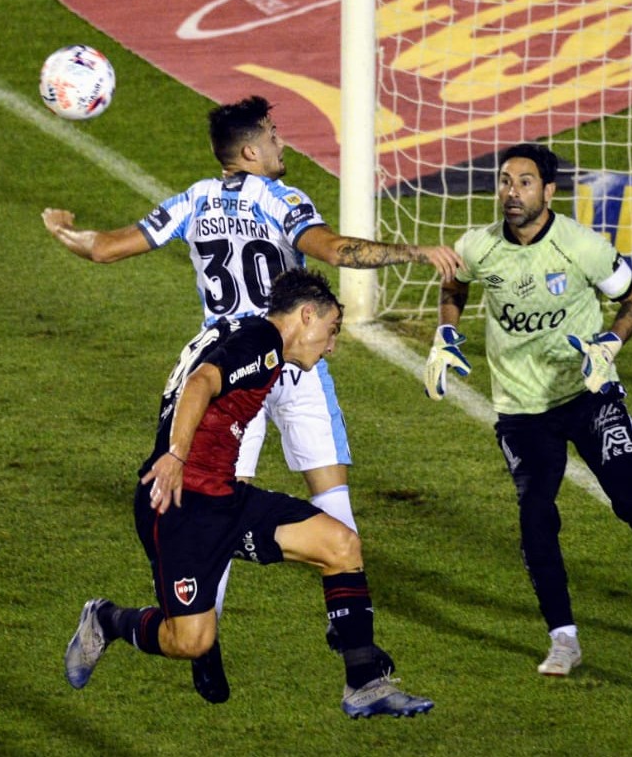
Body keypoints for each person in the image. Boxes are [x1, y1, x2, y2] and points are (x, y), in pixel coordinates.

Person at [43, 95, 461, 700]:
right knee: (280, 505)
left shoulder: (194, 200)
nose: (281, 143)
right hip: (265, 362)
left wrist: (66, 232)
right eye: (273, 136)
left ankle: (345, 667)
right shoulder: (282, 199)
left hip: (252, 354)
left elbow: (106, 247)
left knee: (279, 521)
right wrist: (414, 253)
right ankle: (216, 645)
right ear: (250, 152)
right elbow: (335, 250)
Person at [422, 143, 632, 677]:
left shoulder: (581, 246)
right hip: (522, 409)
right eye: (505, 181)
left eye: (525, 182)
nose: (511, 192)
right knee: (535, 516)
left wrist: (610, 344)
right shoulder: (478, 246)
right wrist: (445, 331)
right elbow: (455, 282)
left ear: (549, 191)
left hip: (589, 393)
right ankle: (563, 638)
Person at [63, 268, 432, 718]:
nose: (331, 345)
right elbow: (201, 382)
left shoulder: (241, 330)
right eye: (331, 331)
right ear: (307, 315)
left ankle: (363, 684)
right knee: (190, 640)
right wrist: (177, 456)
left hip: (227, 499)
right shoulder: (262, 342)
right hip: (180, 507)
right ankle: (106, 620)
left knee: (341, 544)